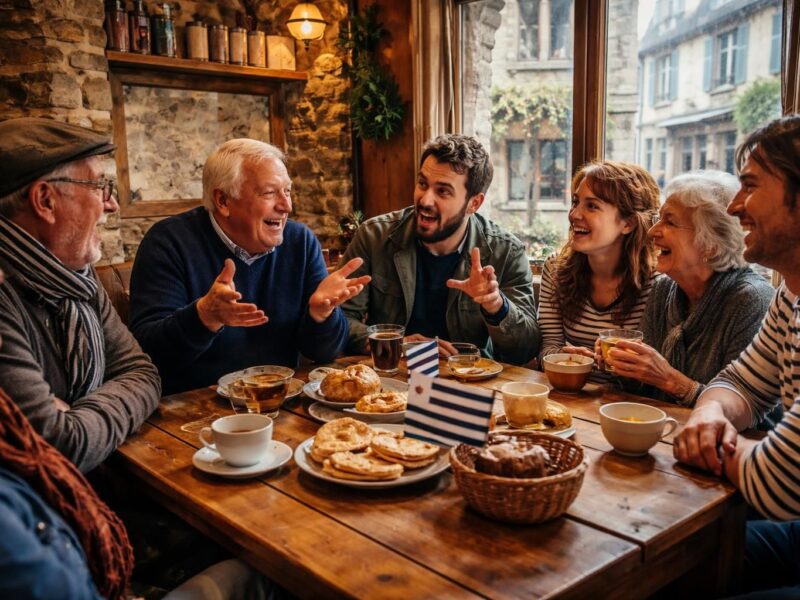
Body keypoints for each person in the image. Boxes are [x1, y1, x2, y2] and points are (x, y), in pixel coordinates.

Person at [130, 138, 370, 395]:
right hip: (193, 408)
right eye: (269, 193)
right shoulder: (168, 243)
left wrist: (321, 315)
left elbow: (324, 353)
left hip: (279, 401)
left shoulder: (300, 242)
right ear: (223, 200)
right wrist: (204, 317)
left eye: (287, 191)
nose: (286, 206)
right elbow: (149, 356)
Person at [673, 115, 800, 597]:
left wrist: (706, 440)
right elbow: (739, 383)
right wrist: (709, 413)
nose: (735, 205)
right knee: (675, 566)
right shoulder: (791, 295)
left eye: (750, 185)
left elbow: (776, 479)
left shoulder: (754, 294)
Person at [0, 117, 160, 473]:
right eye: (100, 186)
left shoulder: (76, 278)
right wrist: (72, 427)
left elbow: (142, 373)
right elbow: (57, 446)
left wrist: (75, 415)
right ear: (45, 200)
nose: (111, 204)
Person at [339, 134, 539, 365]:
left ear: (474, 203)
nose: (425, 200)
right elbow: (340, 319)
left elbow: (526, 349)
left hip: (468, 379)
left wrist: (497, 307)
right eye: (422, 184)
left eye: (443, 191)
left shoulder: (506, 252)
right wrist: (397, 343)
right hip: (392, 376)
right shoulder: (374, 237)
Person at [604, 171, 773, 407]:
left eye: (670, 222)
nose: (652, 232)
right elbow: (641, 388)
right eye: (658, 219)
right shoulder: (664, 289)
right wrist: (620, 365)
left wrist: (670, 380)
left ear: (711, 245)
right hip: (662, 424)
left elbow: (745, 408)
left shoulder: (751, 300)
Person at [537, 161, 660, 378]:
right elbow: (548, 346)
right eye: (576, 202)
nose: (574, 214)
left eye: (592, 206)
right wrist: (560, 357)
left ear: (628, 223)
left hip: (627, 398)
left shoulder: (658, 283)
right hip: (570, 390)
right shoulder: (555, 269)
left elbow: (652, 372)